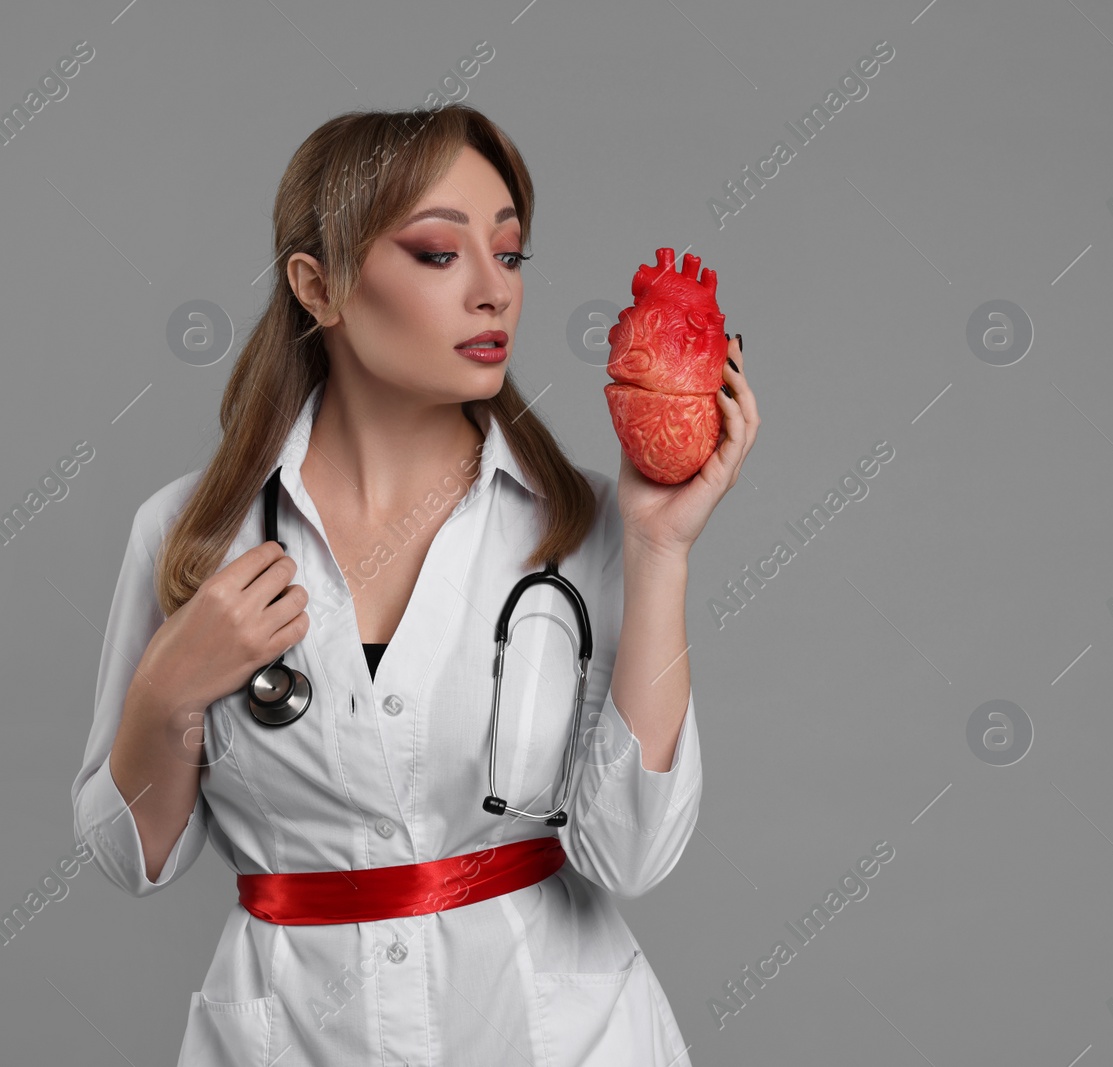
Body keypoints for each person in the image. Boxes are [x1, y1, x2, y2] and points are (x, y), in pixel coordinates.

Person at [69, 103, 756, 1065]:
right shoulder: (192, 538)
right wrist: (166, 688)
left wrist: (662, 551)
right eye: (440, 254)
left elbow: (630, 855)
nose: (493, 293)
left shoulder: (593, 528)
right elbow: (126, 857)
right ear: (319, 287)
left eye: (510, 257)